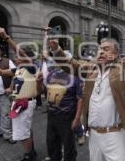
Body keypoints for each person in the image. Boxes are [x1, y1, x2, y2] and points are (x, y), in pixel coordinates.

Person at [79, 3, 125, 161]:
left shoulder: (122, 70)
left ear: (116, 54)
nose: (101, 51)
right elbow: (72, 65)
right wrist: (56, 51)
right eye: (100, 49)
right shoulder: (91, 69)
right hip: (94, 135)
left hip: (115, 136)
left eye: (106, 49)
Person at [0, 28, 38, 161]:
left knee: (22, 132)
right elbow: (0, 72)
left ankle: (29, 156)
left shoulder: (31, 66)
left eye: (17, 57)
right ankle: (31, 151)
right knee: (25, 129)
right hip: (18, 103)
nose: (15, 58)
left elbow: (20, 52)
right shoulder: (18, 69)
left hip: (25, 103)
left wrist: (6, 37)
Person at [36, 33, 83, 161]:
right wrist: (38, 82)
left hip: (67, 117)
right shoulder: (51, 74)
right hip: (51, 116)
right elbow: (40, 92)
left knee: (68, 148)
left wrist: (77, 119)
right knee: (52, 145)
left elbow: (80, 98)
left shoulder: (75, 76)